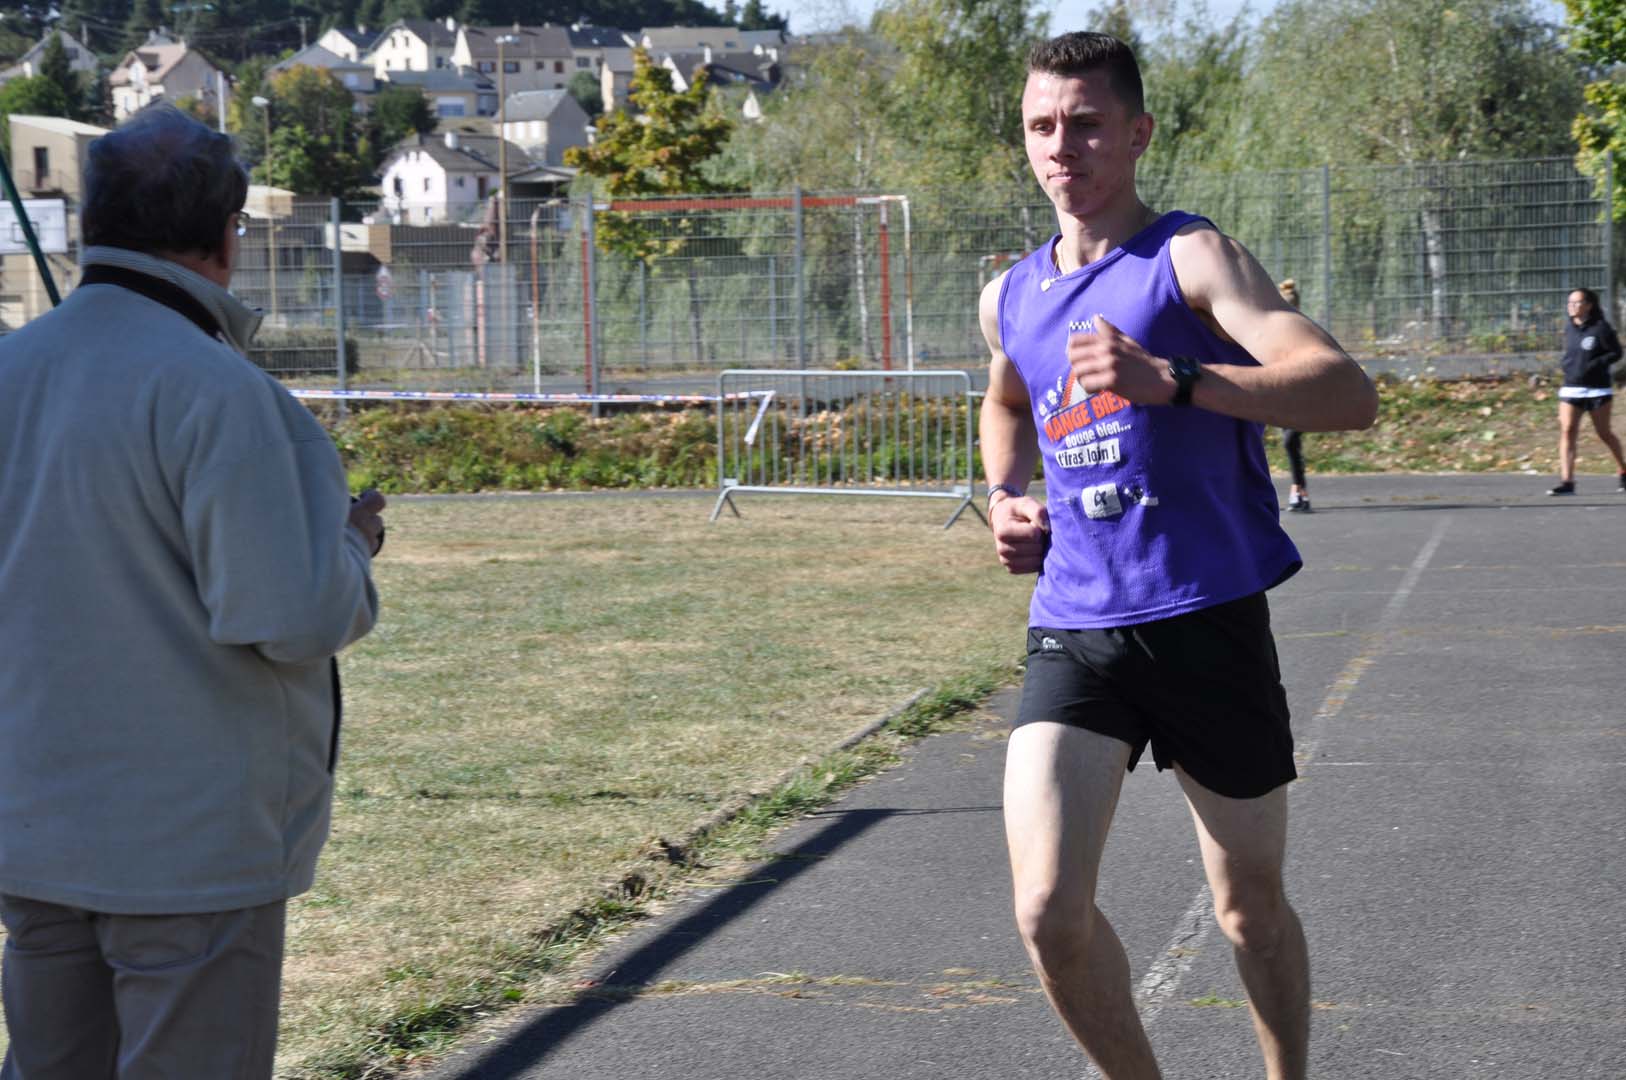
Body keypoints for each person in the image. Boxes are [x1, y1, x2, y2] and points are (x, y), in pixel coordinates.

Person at [979, 32, 1377, 1080]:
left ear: (1138, 133)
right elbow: (1006, 397)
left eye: (1088, 122)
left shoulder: (1188, 259)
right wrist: (1004, 496)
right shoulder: (1010, 294)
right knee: (1045, 912)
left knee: (1247, 910)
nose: (1064, 145)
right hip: (1078, 627)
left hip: (1205, 619)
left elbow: (1346, 392)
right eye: (1043, 125)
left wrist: (1181, 381)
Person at [0, 106, 384, 1077]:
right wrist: (350, 548)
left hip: (36, 828)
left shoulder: (12, 373)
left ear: (93, 225)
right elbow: (291, 616)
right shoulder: (223, 397)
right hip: (191, 852)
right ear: (227, 238)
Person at [1547, 286, 1626, 495]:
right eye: (1569, 302)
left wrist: (1596, 363)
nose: (1572, 306)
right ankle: (1567, 482)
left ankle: (1623, 470)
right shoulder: (1569, 327)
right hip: (1572, 387)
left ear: (1589, 305)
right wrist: (1567, 365)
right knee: (1567, 431)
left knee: (1604, 433)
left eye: (1577, 302)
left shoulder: (1601, 328)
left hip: (1597, 390)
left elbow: (1616, 353)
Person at [1276, 279, 1310, 512]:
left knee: (1290, 441)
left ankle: (1299, 489)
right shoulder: (1273, 327)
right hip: (1281, 394)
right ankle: (1299, 490)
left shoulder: (1304, 329)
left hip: (1302, 394)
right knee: (1291, 444)